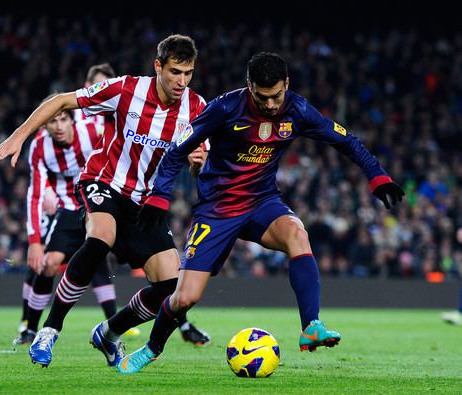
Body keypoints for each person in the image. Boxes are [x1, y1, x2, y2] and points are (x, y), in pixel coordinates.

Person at [119, 51, 406, 373]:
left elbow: (347, 141)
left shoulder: (297, 109)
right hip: (218, 210)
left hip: (262, 201)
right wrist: (160, 195)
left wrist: (378, 175)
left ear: (287, 84)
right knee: (184, 297)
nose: (271, 105)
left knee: (297, 234)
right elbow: (176, 153)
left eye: (276, 96)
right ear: (249, 86)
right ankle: (152, 347)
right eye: (262, 97)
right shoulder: (225, 108)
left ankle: (311, 325)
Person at [0, 34, 210, 368]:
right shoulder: (126, 89)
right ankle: (49, 329)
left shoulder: (197, 108)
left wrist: (199, 164)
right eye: (175, 71)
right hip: (103, 183)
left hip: (146, 203)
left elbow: (199, 168)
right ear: (158, 66)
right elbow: (61, 101)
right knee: (100, 237)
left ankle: (109, 332)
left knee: (171, 287)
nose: (181, 81)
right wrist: (18, 137)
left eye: (188, 73)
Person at [14, 64, 123, 344]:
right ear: (45, 124)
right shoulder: (39, 147)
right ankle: (29, 329)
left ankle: (129, 324)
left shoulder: (93, 131)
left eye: (64, 119)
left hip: (97, 204)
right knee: (48, 264)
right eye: (53, 121)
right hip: (67, 210)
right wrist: (34, 240)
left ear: (72, 119)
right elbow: (35, 193)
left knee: (104, 261)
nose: (59, 126)